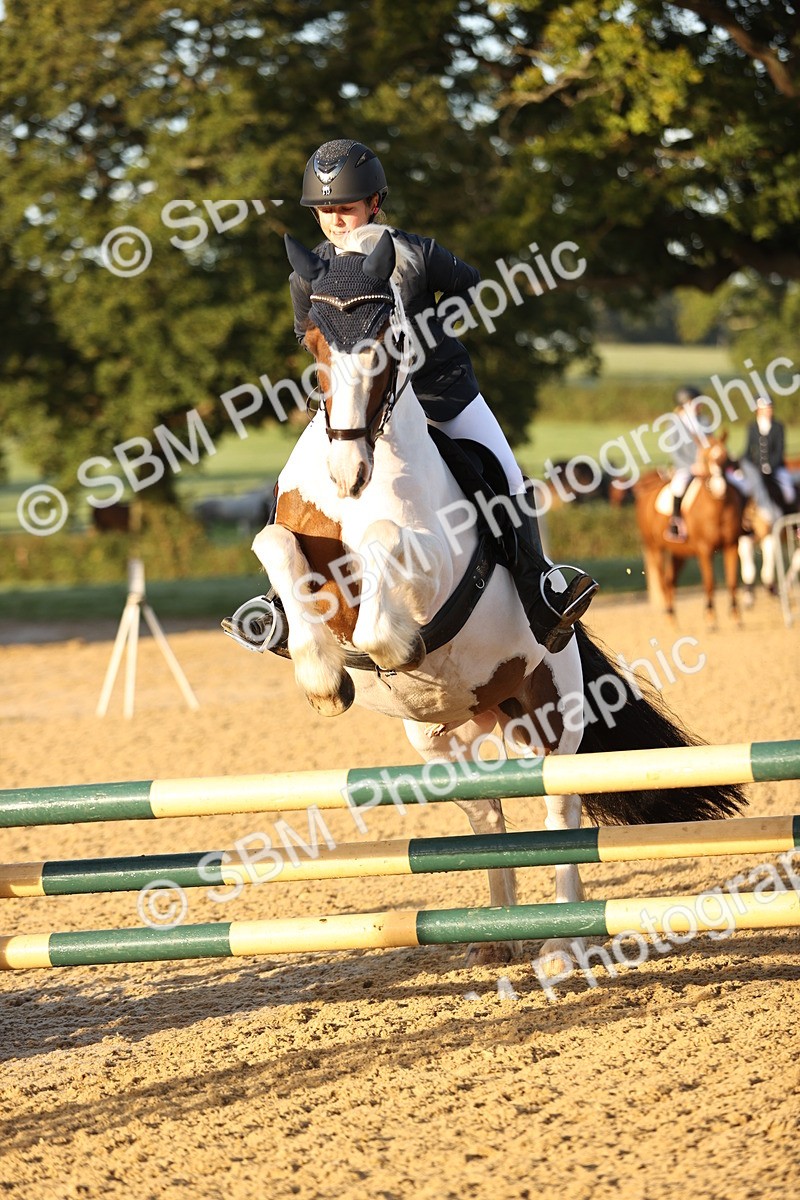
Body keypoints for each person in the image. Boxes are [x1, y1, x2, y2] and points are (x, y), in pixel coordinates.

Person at [224, 138, 597, 655]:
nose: (335, 220)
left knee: (506, 473)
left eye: (346, 208)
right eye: (325, 211)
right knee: (292, 485)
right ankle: (279, 604)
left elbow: (473, 287)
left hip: (440, 392)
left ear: (374, 203)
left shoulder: (416, 254)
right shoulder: (308, 273)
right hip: (356, 406)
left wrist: (421, 336)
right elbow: (304, 334)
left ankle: (540, 588)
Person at [665, 384, 712, 542]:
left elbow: (712, 443)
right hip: (686, 466)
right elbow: (675, 452)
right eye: (696, 402)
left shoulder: (704, 421)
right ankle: (676, 522)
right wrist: (691, 466)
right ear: (686, 403)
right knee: (678, 486)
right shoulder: (674, 424)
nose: (700, 405)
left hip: (707, 466)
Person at [742, 395, 797, 511]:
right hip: (756, 470)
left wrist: (770, 467)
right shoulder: (751, 428)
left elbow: (779, 451)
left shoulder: (778, 427)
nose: (768, 411)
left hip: (777, 469)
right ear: (758, 410)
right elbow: (747, 451)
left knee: (789, 493)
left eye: (770, 408)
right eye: (765, 408)